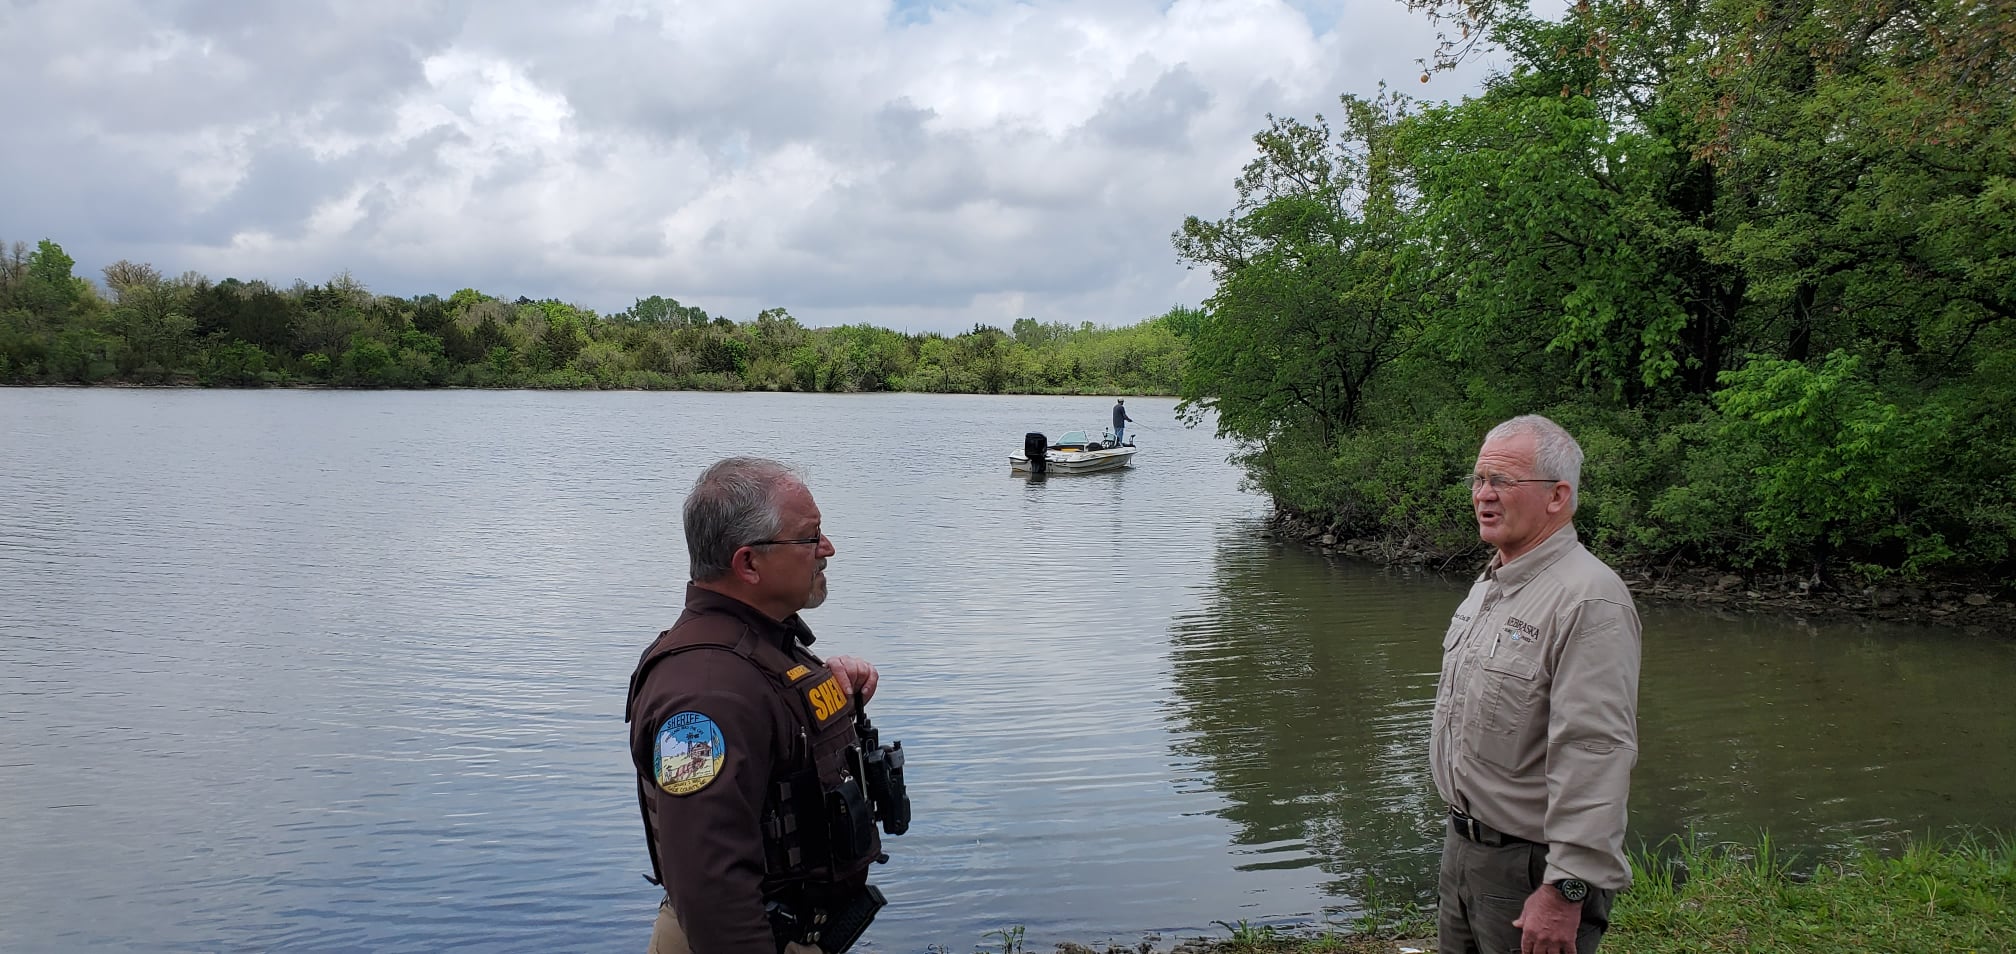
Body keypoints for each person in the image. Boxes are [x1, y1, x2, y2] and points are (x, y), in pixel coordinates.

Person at [627, 458, 895, 954]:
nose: (828, 549)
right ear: (748, 563)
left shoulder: (762, 651)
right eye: (810, 537)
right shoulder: (704, 694)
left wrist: (831, 691)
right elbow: (711, 887)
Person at [1431, 415, 1642, 954]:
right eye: (1479, 480)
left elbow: (1595, 751)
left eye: (1502, 481)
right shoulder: (1493, 582)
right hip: (1464, 850)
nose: (1484, 495)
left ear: (1557, 496)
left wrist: (1565, 889)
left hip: (1531, 869)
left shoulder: (1589, 599)